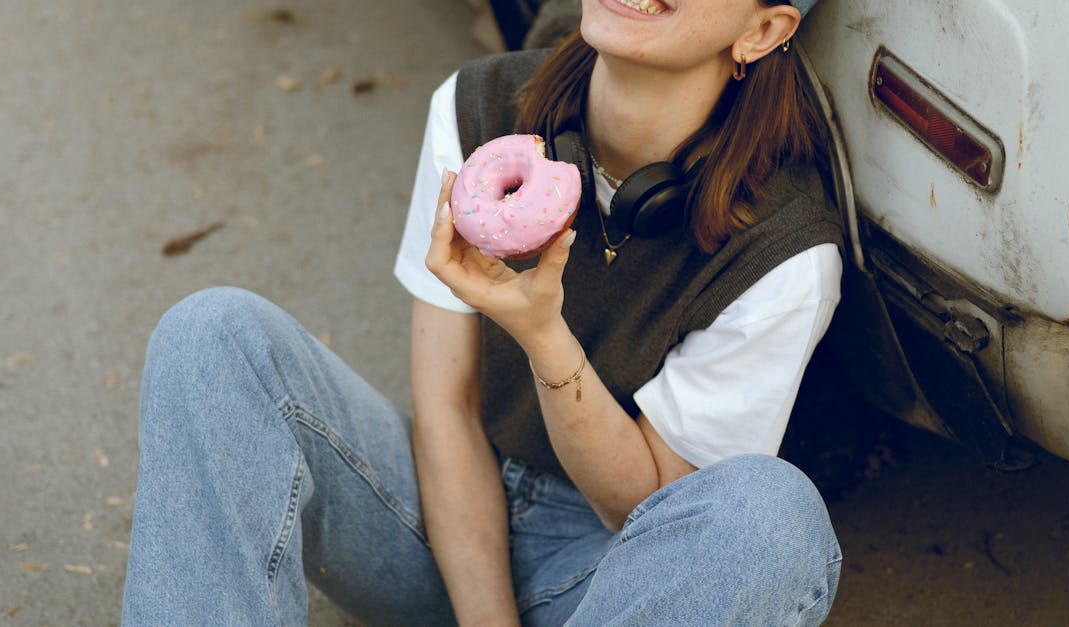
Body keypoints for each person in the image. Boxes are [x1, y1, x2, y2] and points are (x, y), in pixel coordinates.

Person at [122, 0, 844, 624]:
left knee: (771, 518)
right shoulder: (479, 109)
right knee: (212, 336)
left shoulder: (786, 252)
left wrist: (544, 336)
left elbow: (647, 511)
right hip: (442, 518)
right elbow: (449, 406)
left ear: (762, 29)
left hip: (611, 578)